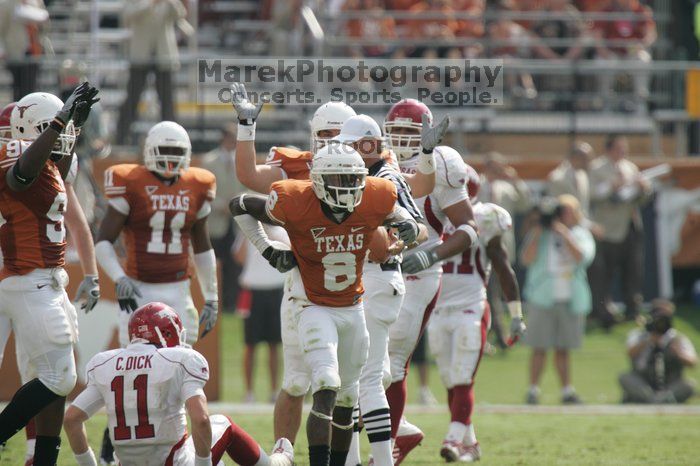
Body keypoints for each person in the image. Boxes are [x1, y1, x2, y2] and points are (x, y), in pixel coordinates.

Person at [229, 133, 420, 466]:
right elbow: (240, 205)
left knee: (347, 398)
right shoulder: (294, 200)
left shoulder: (376, 196)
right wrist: (269, 251)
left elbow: (405, 221)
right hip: (313, 306)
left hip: (354, 307)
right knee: (326, 382)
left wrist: (407, 227)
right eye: (337, 179)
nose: (346, 186)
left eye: (353, 179)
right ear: (316, 181)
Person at [233, 96, 358, 451]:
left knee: (355, 386)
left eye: (340, 134)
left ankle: (357, 457)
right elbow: (248, 177)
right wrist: (246, 129)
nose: (333, 141)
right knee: (297, 381)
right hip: (304, 287)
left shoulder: (370, 169)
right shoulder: (298, 167)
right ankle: (282, 453)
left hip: (355, 289)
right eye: (326, 134)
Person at [95, 120, 219, 464]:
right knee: (130, 373)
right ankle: (112, 453)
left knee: (181, 372)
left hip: (179, 289)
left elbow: (203, 246)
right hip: (138, 289)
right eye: (163, 151)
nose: (169, 159)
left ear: (188, 155)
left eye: (176, 153)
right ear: (149, 152)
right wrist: (119, 276)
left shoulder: (199, 183)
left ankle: (178, 448)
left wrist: (212, 296)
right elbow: (103, 239)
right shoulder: (130, 180)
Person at [0, 83, 100, 465]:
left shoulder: (49, 167)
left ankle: (42, 459)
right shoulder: (19, 160)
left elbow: (49, 171)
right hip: (28, 279)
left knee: (56, 378)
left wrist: (75, 125)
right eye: (52, 128)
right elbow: (21, 176)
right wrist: (59, 122)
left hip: (45, 280)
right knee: (60, 379)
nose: (61, 134)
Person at [63, 302, 295, 466]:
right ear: (165, 332)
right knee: (222, 422)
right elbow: (201, 419)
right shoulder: (179, 360)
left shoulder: (105, 363)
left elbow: (72, 419)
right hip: (173, 462)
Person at [332, 114, 433, 466]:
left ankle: (374, 460)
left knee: (367, 380)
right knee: (357, 380)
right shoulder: (368, 175)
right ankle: (354, 460)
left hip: (377, 277)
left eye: (349, 145)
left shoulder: (382, 178)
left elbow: (415, 228)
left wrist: (399, 237)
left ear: (367, 145)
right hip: (369, 281)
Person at [384, 99, 479, 464]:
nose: (401, 139)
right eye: (396, 131)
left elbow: (469, 229)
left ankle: (385, 447)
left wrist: (430, 254)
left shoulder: (441, 162)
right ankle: (401, 429)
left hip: (419, 271)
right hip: (377, 269)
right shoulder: (375, 154)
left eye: (411, 132)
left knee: (392, 363)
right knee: (363, 361)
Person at [429, 163, 526, 463]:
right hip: (438, 309)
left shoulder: (485, 216)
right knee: (449, 380)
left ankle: (454, 440)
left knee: (462, 377)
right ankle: (470, 444)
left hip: (471, 306)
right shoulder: (429, 216)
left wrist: (516, 314)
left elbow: (501, 266)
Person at [521, 195, 596, 405]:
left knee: (563, 347)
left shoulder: (580, 233)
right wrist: (537, 231)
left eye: (566, 210)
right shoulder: (541, 233)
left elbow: (583, 258)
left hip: (570, 297)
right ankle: (533, 390)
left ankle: (566, 390)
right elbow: (526, 259)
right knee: (539, 346)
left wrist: (564, 233)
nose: (562, 215)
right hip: (542, 297)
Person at [588, 134, 651, 327]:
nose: (623, 152)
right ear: (608, 149)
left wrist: (643, 189)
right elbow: (592, 194)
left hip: (630, 226)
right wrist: (611, 186)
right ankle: (601, 312)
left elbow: (642, 199)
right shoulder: (596, 168)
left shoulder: (630, 167)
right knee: (603, 273)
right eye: (618, 148)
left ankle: (633, 310)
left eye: (624, 148)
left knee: (633, 271)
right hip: (607, 228)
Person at [478, 151, 531, 350]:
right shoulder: (478, 185)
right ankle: (499, 334)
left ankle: (496, 333)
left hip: (503, 246)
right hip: (482, 246)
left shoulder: (508, 188)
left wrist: (515, 180)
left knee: (497, 291)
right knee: (490, 293)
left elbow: (525, 204)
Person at [116, 0, 186, 145]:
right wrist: (150, 4)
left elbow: (180, 14)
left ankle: (172, 138)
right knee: (132, 98)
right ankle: (122, 138)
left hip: (163, 55)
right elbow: (127, 16)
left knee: (167, 100)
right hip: (140, 55)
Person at [233, 225, 288, 403]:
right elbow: (239, 257)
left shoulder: (280, 231)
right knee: (250, 344)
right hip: (252, 291)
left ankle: (274, 391)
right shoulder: (247, 231)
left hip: (275, 291)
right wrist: (247, 231)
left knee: (274, 344)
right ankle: (249, 392)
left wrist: (267, 231)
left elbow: (288, 253)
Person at [201, 123, 247, 312]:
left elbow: (247, 187)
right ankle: (214, 301)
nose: (232, 142)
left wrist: (236, 205)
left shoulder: (243, 162)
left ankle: (231, 303)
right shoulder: (209, 161)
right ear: (223, 139)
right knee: (215, 263)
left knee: (234, 265)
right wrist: (222, 205)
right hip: (216, 223)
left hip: (237, 223)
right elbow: (205, 191)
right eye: (229, 138)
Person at [619, 300, 697, 404]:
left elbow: (692, 362)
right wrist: (647, 341)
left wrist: (678, 352)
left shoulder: (677, 338)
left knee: (689, 385)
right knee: (625, 377)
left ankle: (657, 400)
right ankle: (654, 399)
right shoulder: (639, 335)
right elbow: (630, 354)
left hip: (670, 383)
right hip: (644, 381)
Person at [0, 0, 49, 101]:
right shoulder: (6, 4)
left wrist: (39, 19)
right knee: (19, 87)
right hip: (16, 52)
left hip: (35, 51)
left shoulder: (36, 2)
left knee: (32, 87)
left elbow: (46, 25)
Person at [547, 141, 594, 217]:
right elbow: (557, 207)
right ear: (575, 158)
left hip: (582, 224)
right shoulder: (557, 178)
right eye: (586, 159)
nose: (589, 163)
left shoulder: (583, 175)